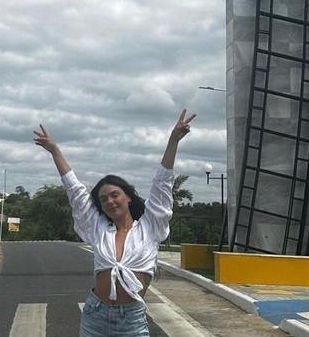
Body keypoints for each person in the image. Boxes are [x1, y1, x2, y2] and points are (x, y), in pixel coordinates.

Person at [33, 109, 195, 337]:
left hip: (131, 321)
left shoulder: (149, 227)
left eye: (114, 195)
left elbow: (162, 186)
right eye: (103, 199)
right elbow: (75, 192)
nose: (109, 201)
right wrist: (55, 151)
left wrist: (173, 140)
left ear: (128, 197)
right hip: (95, 315)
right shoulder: (99, 229)